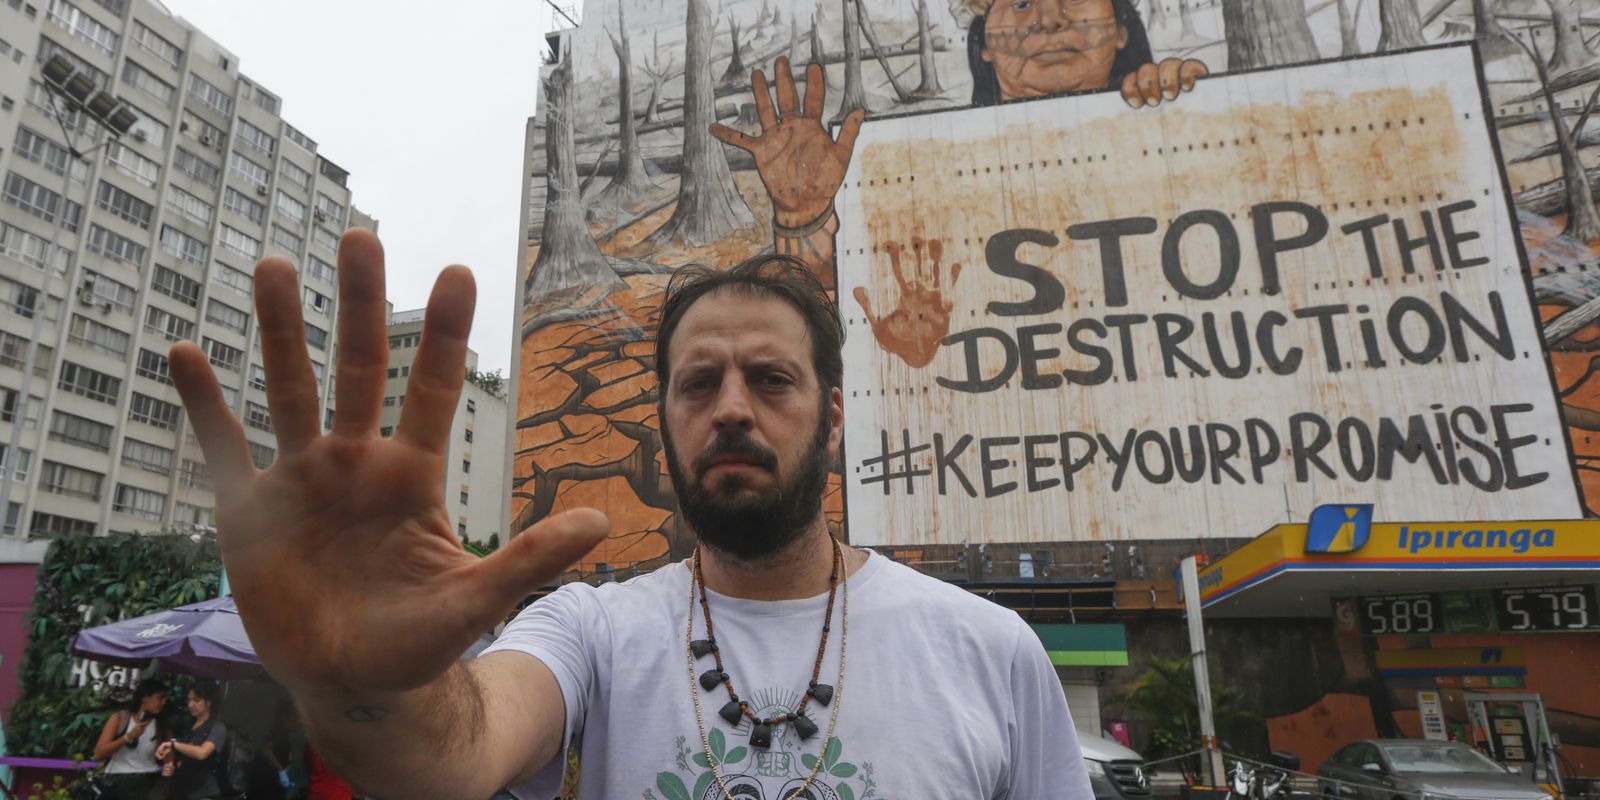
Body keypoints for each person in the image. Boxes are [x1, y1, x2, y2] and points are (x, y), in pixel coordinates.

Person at [167, 63, 1086, 800]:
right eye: (698, 384)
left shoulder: (991, 652)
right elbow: (459, 752)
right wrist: (355, 688)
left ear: (834, 418)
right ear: (663, 421)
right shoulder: (592, 631)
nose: (731, 407)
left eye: (770, 379)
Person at [963, 0, 1208, 105]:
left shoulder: (1161, 104)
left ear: (1120, 31)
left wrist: (1189, 99)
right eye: (1021, 4)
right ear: (984, 44)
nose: (1050, 21)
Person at [93, 678, 170, 800]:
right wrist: (128, 737)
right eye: (160, 698)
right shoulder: (120, 718)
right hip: (118, 781)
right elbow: (99, 754)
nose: (163, 702)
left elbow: (168, 761)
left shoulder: (162, 725)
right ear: (145, 698)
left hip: (148, 782)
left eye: (165, 698)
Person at [154, 680, 227, 800]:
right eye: (189, 700)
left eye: (196, 700)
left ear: (208, 702)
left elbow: (202, 753)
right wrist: (172, 765)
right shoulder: (189, 724)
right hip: (184, 791)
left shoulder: (217, 727)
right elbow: (184, 756)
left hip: (204, 793)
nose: (190, 705)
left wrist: (173, 744)